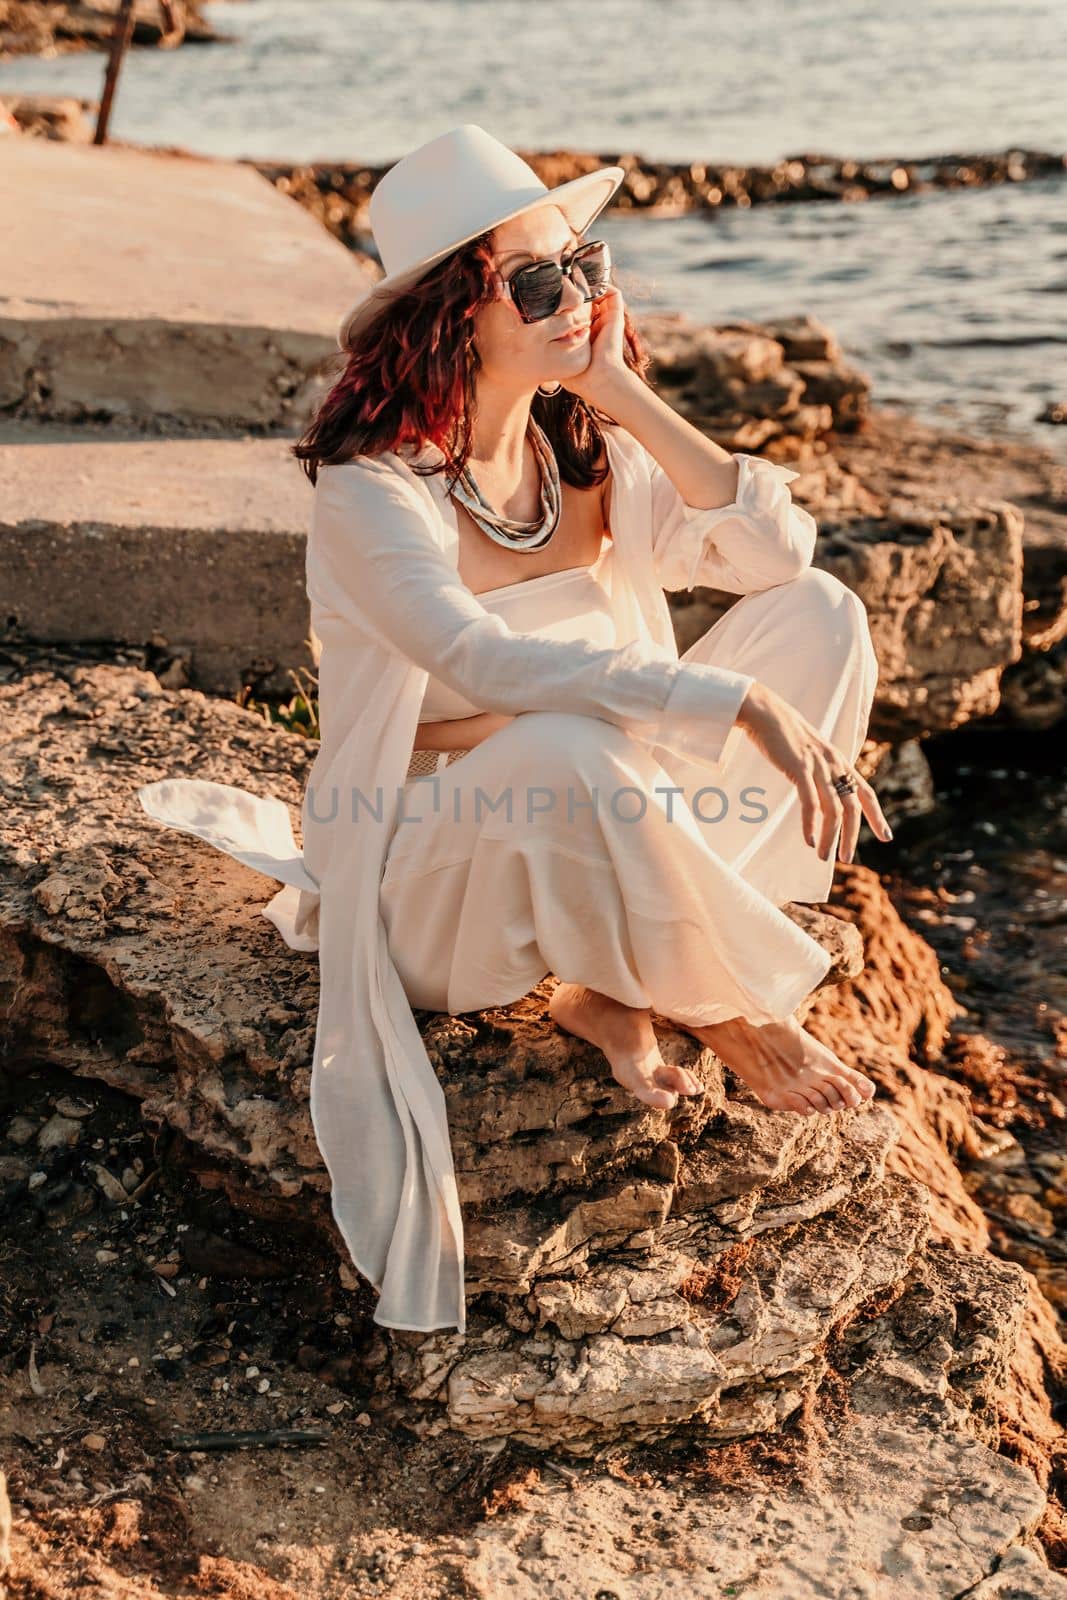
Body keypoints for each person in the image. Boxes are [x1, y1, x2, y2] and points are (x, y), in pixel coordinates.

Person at [138, 124, 892, 1337]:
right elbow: (470, 659)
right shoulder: (373, 487)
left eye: (585, 267)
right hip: (430, 884)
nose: (574, 300)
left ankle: (607, 981)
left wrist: (618, 386)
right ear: (450, 313)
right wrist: (715, 699)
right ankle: (719, 1001)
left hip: (590, 795)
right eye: (537, 283)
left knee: (821, 615)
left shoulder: (575, 443)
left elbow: (771, 554)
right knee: (566, 748)